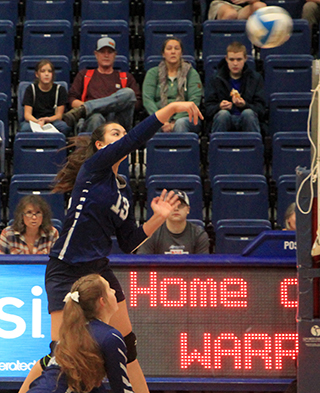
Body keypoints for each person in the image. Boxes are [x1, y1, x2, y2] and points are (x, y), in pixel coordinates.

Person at [18, 101, 203, 393]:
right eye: (115, 134)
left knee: (128, 346)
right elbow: (135, 139)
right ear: (101, 144)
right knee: (61, 354)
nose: (123, 137)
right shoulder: (94, 168)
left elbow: (129, 242)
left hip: (98, 270)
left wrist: (157, 219)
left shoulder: (123, 188)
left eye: (122, 133)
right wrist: (171, 108)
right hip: (66, 268)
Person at [26, 274, 134, 393]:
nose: (114, 291)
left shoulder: (72, 332)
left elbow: (91, 387)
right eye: (109, 289)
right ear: (102, 301)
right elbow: (122, 389)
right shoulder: (111, 337)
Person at [63, 37, 142, 134]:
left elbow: (136, 103)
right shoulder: (85, 75)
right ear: (96, 54)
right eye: (102, 52)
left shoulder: (126, 77)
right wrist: (99, 109)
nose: (106, 55)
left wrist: (110, 106)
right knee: (96, 117)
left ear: (115, 55)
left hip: (117, 120)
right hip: (91, 118)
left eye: (110, 52)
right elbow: (72, 99)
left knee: (129, 93)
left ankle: (87, 108)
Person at [142, 37, 203, 133]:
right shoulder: (153, 73)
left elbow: (194, 100)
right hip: (159, 115)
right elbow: (147, 99)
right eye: (169, 49)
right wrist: (161, 119)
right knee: (152, 124)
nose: (173, 52)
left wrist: (174, 121)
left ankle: (180, 147)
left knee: (180, 123)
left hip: (185, 117)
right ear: (163, 53)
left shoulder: (191, 73)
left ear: (181, 53)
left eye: (176, 48)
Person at [205, 41, 266, 133]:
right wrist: (219, 106)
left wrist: (245, 105)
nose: (235, 63)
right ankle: (218, 146)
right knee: (223, 114)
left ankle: (253, 146)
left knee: (248, 113)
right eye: (232, 59)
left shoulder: (256, 79)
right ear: (226, 59)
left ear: (245, 59)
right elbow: (207, 109)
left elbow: (261, 110)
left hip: (247, 118)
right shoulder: (215, 79)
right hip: (224, 118)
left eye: (239, 59)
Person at [137, 189, 209, 254]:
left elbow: (203, 267)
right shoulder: (152, 234)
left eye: (180, 205)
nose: (176, 208)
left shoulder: (199, 235)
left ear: (188, 209)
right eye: (171, 205)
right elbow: (142, 263)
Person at [20, 59, 71, 135]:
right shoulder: (31, 89)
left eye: (49, 71)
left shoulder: (60, 90)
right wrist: (38, 122)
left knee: (64, 127)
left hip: (52, 121)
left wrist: (47, 120)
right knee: (25, 129)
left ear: (53, 74)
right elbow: (27, 115)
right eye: (43, 71)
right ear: (37, 74)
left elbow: (59, 115)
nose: (46, 74)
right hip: (35, 120)